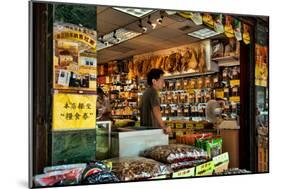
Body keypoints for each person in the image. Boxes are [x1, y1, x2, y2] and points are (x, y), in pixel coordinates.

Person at [139, 69, 171, 135]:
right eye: (161, 80)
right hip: (152, 131)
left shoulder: (146, 92)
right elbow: (156, 110)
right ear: (154, 81)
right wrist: (164, 126)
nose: (163, 82)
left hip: (145, 130)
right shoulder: (153, 92)